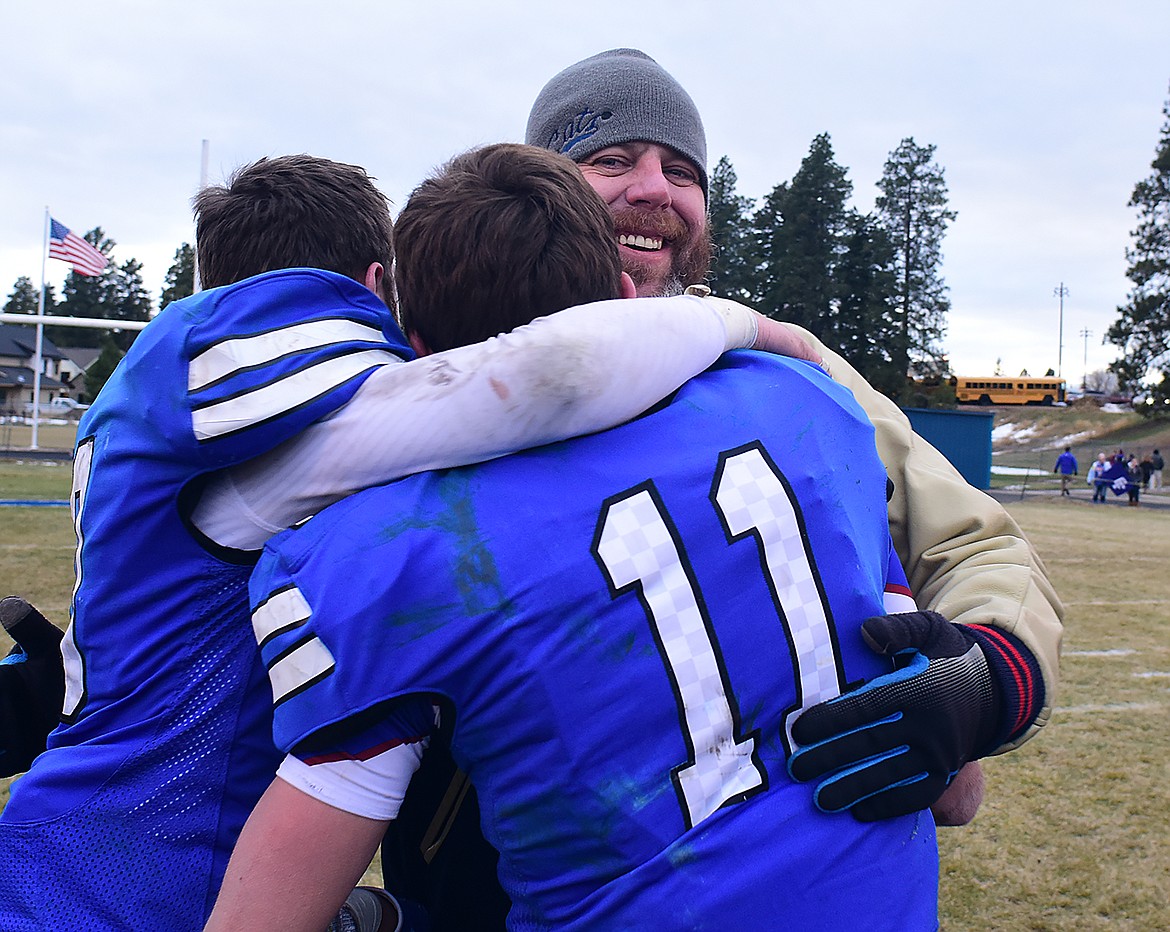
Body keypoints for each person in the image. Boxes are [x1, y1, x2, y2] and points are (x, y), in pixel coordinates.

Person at [0, 154, 803, 930]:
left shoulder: (176, 408)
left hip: (119, 843)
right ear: (375, 283)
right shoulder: (274, 430)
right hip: (123, 883)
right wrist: (737, 321)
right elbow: (554, 374)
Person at [371, 47, 1060, 927]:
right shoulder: (423, 380)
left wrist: (989, 677)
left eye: (682, 170)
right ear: (543, 182)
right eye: (612, 159)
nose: (655, 189)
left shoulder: (790, 372)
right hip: (478, 877)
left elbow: (973, 541)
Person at [208, 142, 954, 931]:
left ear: (415, 347)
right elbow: (957, 792)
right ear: (628, 293)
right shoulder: (805, 401)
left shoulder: (384, 550)